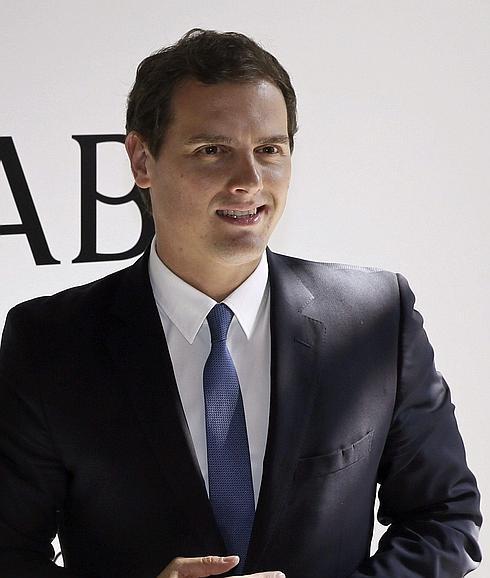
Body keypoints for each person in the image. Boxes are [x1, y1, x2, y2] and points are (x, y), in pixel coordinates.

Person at [0, 28, 482, 578]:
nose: (249, 181)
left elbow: (444, 519)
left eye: (269, 150)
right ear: (141, 160)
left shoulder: (377, 319)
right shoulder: (49, 342)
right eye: (212, 150)